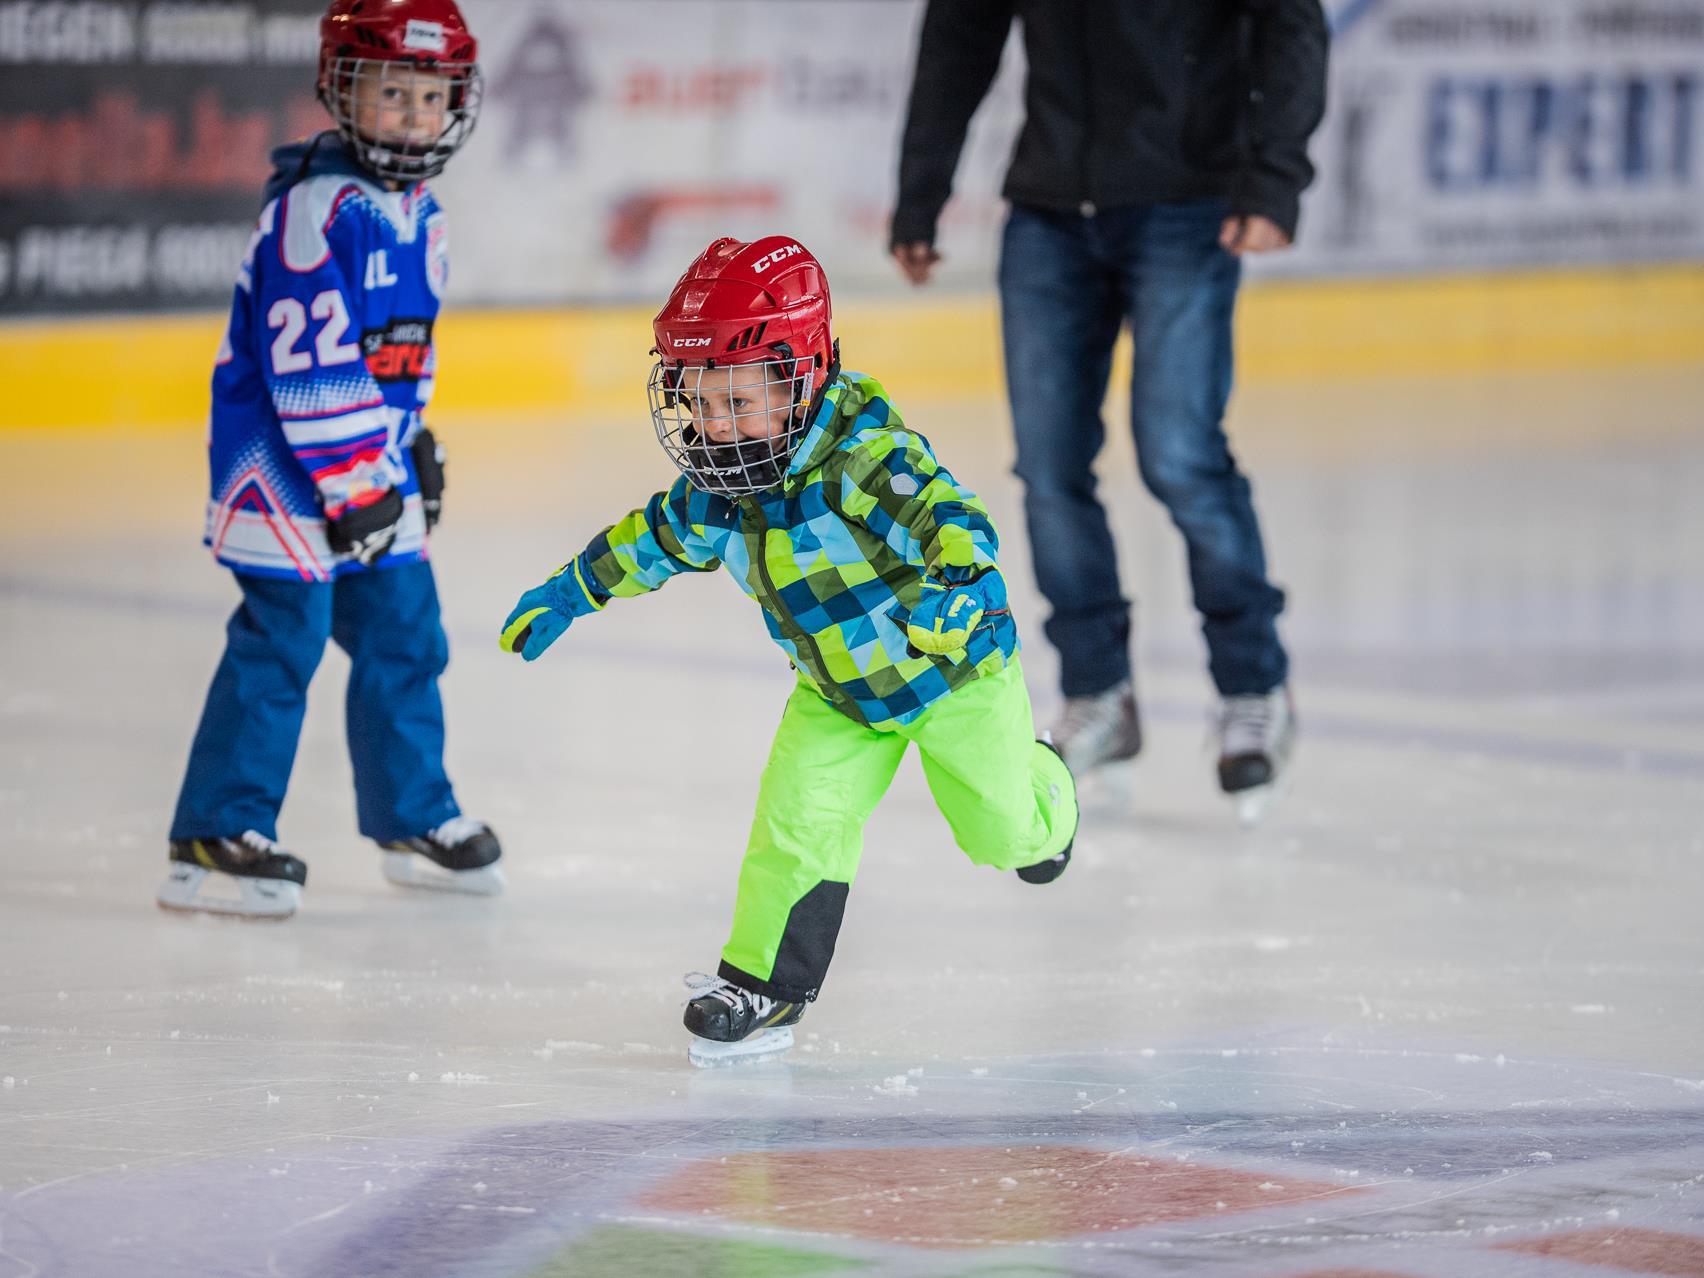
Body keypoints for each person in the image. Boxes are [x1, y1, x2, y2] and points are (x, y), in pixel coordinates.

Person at [499, 236, 1078, 1065]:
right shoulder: (719, 493)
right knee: (798, 828)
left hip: (951, 674)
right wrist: (575, 588)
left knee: (1004, 834)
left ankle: (1049, 786)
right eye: (700, 400)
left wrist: (960, 583)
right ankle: (763, 987)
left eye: (739, 400)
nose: (716, 424)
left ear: (801, 377)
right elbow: (652, 540)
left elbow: (952, 518)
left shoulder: (863, 459)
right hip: (837, 698)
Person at [890, 0, 1328, 820]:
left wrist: (1274, 176)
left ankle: (1253, 685)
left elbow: (1289, 22)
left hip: (1189, 202)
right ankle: (1098, 694)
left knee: (1181, 457)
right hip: (1051, 210)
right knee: (1048, 467)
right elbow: (960, 31)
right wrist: (921, 192)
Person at [159, 0, 500, 921]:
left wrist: (409, 444)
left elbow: (401, 352)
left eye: (433, 96)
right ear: (343, 91)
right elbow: (309, 365)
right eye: (393, 91)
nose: (415, 114)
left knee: (405, 632)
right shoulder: (317, 209)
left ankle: (411, 814)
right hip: (280, 471)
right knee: (283, 639)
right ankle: (214, 830)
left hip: (364, 469)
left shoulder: (418, 211)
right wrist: (356, 486)